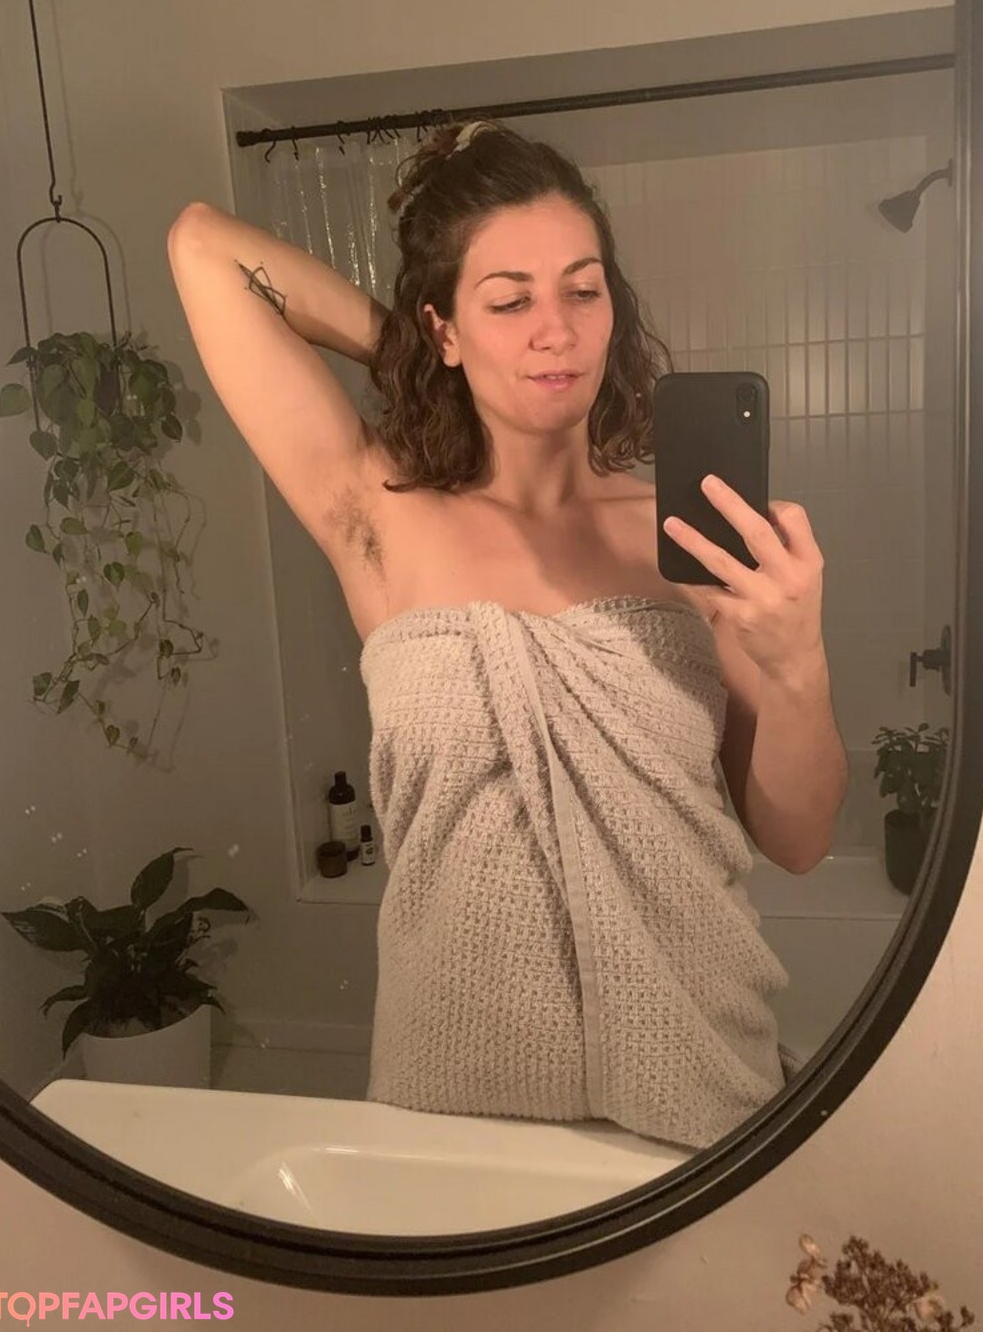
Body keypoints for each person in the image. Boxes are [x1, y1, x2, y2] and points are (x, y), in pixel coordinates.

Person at [167, 118, 848, 1151]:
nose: (557, 331)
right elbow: (201, 246)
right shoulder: (377, 511)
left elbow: (798, 840)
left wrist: (798, 664)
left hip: (700, 1093)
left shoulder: (684, 537)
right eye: (510, 300)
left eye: (584, 290)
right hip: (460, 1113)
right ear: (444, 326)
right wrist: (418, 355)